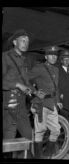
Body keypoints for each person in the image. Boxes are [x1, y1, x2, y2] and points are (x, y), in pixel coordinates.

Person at [2, 29, 36, 158]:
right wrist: (16, 84)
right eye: (23, 40)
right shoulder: (5, 57)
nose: (26, 43)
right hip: (9, 106)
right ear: (15, 42)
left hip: (22, 106)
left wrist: (34, 92)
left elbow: (26, 83)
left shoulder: (25, 60)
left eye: (27, 41)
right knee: (8, 143)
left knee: (28, 137)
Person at [28, 46, 62, 159]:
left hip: (52, 104)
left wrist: (58, 101)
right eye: (51, 55)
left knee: (56, 130)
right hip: (41, 104)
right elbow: (25, 80)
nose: (54, 57)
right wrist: (35, 91)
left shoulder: (56, 69)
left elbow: (56, 88)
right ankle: (38, 157)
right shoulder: (39, 68)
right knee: (40, 131)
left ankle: (47, 155)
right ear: (46, 56)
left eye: (55, 55)